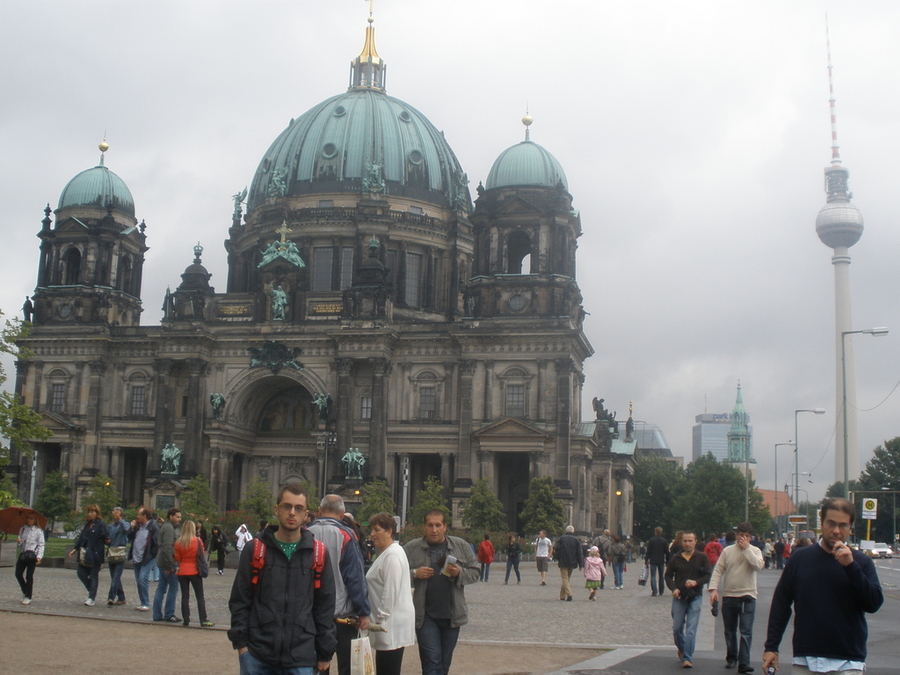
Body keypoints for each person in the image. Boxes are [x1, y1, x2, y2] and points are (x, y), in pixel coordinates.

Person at [763, 498, 884, 675]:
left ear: (850, 528)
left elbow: (873, 604)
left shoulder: (861, 563)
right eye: (831, 523)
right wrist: (771, 646)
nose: (836, 531)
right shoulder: (800, 559)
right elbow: (781, 604)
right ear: (822, 523)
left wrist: (851, 567)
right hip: (806, 659)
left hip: (848, 661)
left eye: (843, 525)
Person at [228, 483, 337, 674]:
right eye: (287, 506)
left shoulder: (318, 553)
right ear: (277, 510)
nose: (292, 513)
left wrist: (324, 652)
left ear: (306, 514)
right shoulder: (255, 550)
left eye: (299, 508)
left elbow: (325, 607)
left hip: (301, 656)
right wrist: (242, 647)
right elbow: (240, 599)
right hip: (258, 654)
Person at [404, 509, 480, 675]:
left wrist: (460, 572)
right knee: (432, 663)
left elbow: (475, 572)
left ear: (445, 527)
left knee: (443, 666)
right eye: (430, 525)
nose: (434, 530)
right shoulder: (412, 548)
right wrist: (414, 574)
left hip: (452, 615)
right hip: (425, 616)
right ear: (424, 527)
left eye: (438, 525)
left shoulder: (460, 546)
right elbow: (396, 574)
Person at [306, 494, 370, 675]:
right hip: (342, 613)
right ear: (342, 514)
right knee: (347, 667)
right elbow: (355, 578)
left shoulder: (305, 532)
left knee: (318, 665)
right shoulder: (347, 535)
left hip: (312, 612)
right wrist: (363, 611)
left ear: (318, 512)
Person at [708, 522, 764, 673]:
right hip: (730, 595)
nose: (743, 539)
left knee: (746, 631)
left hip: (748, 595)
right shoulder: (728, 551)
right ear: (736, 535)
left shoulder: (755, 551)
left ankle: (744, 662)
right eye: (741, 535)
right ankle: (732, 657)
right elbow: (718, 570)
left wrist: (747, 550)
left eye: (746, 536)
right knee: (730, 630)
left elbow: (758, 566)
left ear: (750, 537)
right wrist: (713, 589)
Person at [366, 512, 416, 675]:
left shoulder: (393, 554)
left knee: (388, 669)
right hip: (388, 623)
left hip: (390, 624)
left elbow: (391, 590)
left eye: (377, 530)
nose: (372, 534)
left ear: (389, 531)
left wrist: (380, 619)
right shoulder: (388, 552)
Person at [664, 530, 711, 669]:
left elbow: (708, 575)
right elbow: (668, 576)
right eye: (685, 541)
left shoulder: (702, 557)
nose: (688, 543)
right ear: (681, 542)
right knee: (677, 628)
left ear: (695, 541)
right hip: (680, 597)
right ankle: (682, 647)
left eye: (690, 541)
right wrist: (674, 589)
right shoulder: (676, 558)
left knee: (691, 629)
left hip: (695, 596)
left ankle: (688, 657)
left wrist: (696, 582)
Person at [174, 520, 214, 627]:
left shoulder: (178, 542)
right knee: (199, 596)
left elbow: (177, 557)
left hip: (182, 570)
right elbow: (201, 554)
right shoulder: (197, 541)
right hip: (194, 570)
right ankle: (203, 619)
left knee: (185, 596)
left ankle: (186, 619)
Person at [68, 504, 108, 606]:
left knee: (94, 575)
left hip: (95, 554)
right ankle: (92, 590)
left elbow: (105, 537)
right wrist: (75, 549)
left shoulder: (101, 524)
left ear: (97, 513)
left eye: (92, 512)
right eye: (89, 512)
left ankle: (91, 597)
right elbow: (82, 537)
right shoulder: (87, 524)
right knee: (80, 573)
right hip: (85, 553)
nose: (90, 514)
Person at [153, 506, 182, 623]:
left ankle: (157, 614)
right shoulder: (169, 528)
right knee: (173, 588)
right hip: (167, 562)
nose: (180, 519)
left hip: (161, 561)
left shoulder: (166, 527)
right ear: (171, 517)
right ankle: (169, 614)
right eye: (177, 517)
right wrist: (170, 565)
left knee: (161, 588)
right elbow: (167, 547)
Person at [128, 507, 159, 611]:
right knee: (139, 580)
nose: (137, 517)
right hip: (137, 556)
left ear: (144, 516)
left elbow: (156, 543)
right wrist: (131, 528)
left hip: (147, 557)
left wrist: (152, 555)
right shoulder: (137, 526)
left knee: (143, 578)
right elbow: (130, 538)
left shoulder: (153, 526)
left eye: (139, 515)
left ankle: (146, 603)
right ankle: (143, 602)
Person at [15, 512, 44, 605]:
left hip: (32, 555)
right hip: (23, 554)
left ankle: (28, 596)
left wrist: (39, 557)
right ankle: (25, 590)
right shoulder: (22, 529)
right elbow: (20, 543)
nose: (29, 520)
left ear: (35, 520)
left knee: (29, 576)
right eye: (28, 518)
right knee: (18, 573)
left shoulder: (38, 531)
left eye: (31, 518)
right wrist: (19, 541)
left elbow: (41, 544)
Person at [106, 506, 130, 606]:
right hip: (112, 552)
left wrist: (120, 520)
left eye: (117, 511)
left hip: (120, 552)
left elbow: (127, 529)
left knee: (116, 577)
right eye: (114, 511)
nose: (114, 513)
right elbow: (107, 538)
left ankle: (111, 597)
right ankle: (121, 597)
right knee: (115, 577)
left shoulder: (124, 524)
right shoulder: (110, 526)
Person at [554, 525, 583, 601]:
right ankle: (562, 596)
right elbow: (579, 553)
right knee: (567, 578)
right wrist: (581, 564)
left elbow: (555, 547)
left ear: (566, 531)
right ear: (573, 531)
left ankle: (569, 594)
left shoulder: (562, 538)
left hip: (563, 560)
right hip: (572, 561)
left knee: (565, 578)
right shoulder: (576, 540)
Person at [645, 526, 669, 597]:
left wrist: (646, 559)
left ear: (656, 532)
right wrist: (668, 561)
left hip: (653, 560)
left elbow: (648, 551)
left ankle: (654, 591)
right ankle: (661, 590)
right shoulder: (664, 541)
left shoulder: (651, 540)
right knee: (661, 576)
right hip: (661, 560)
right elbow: (667, 552)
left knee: (653, 576)